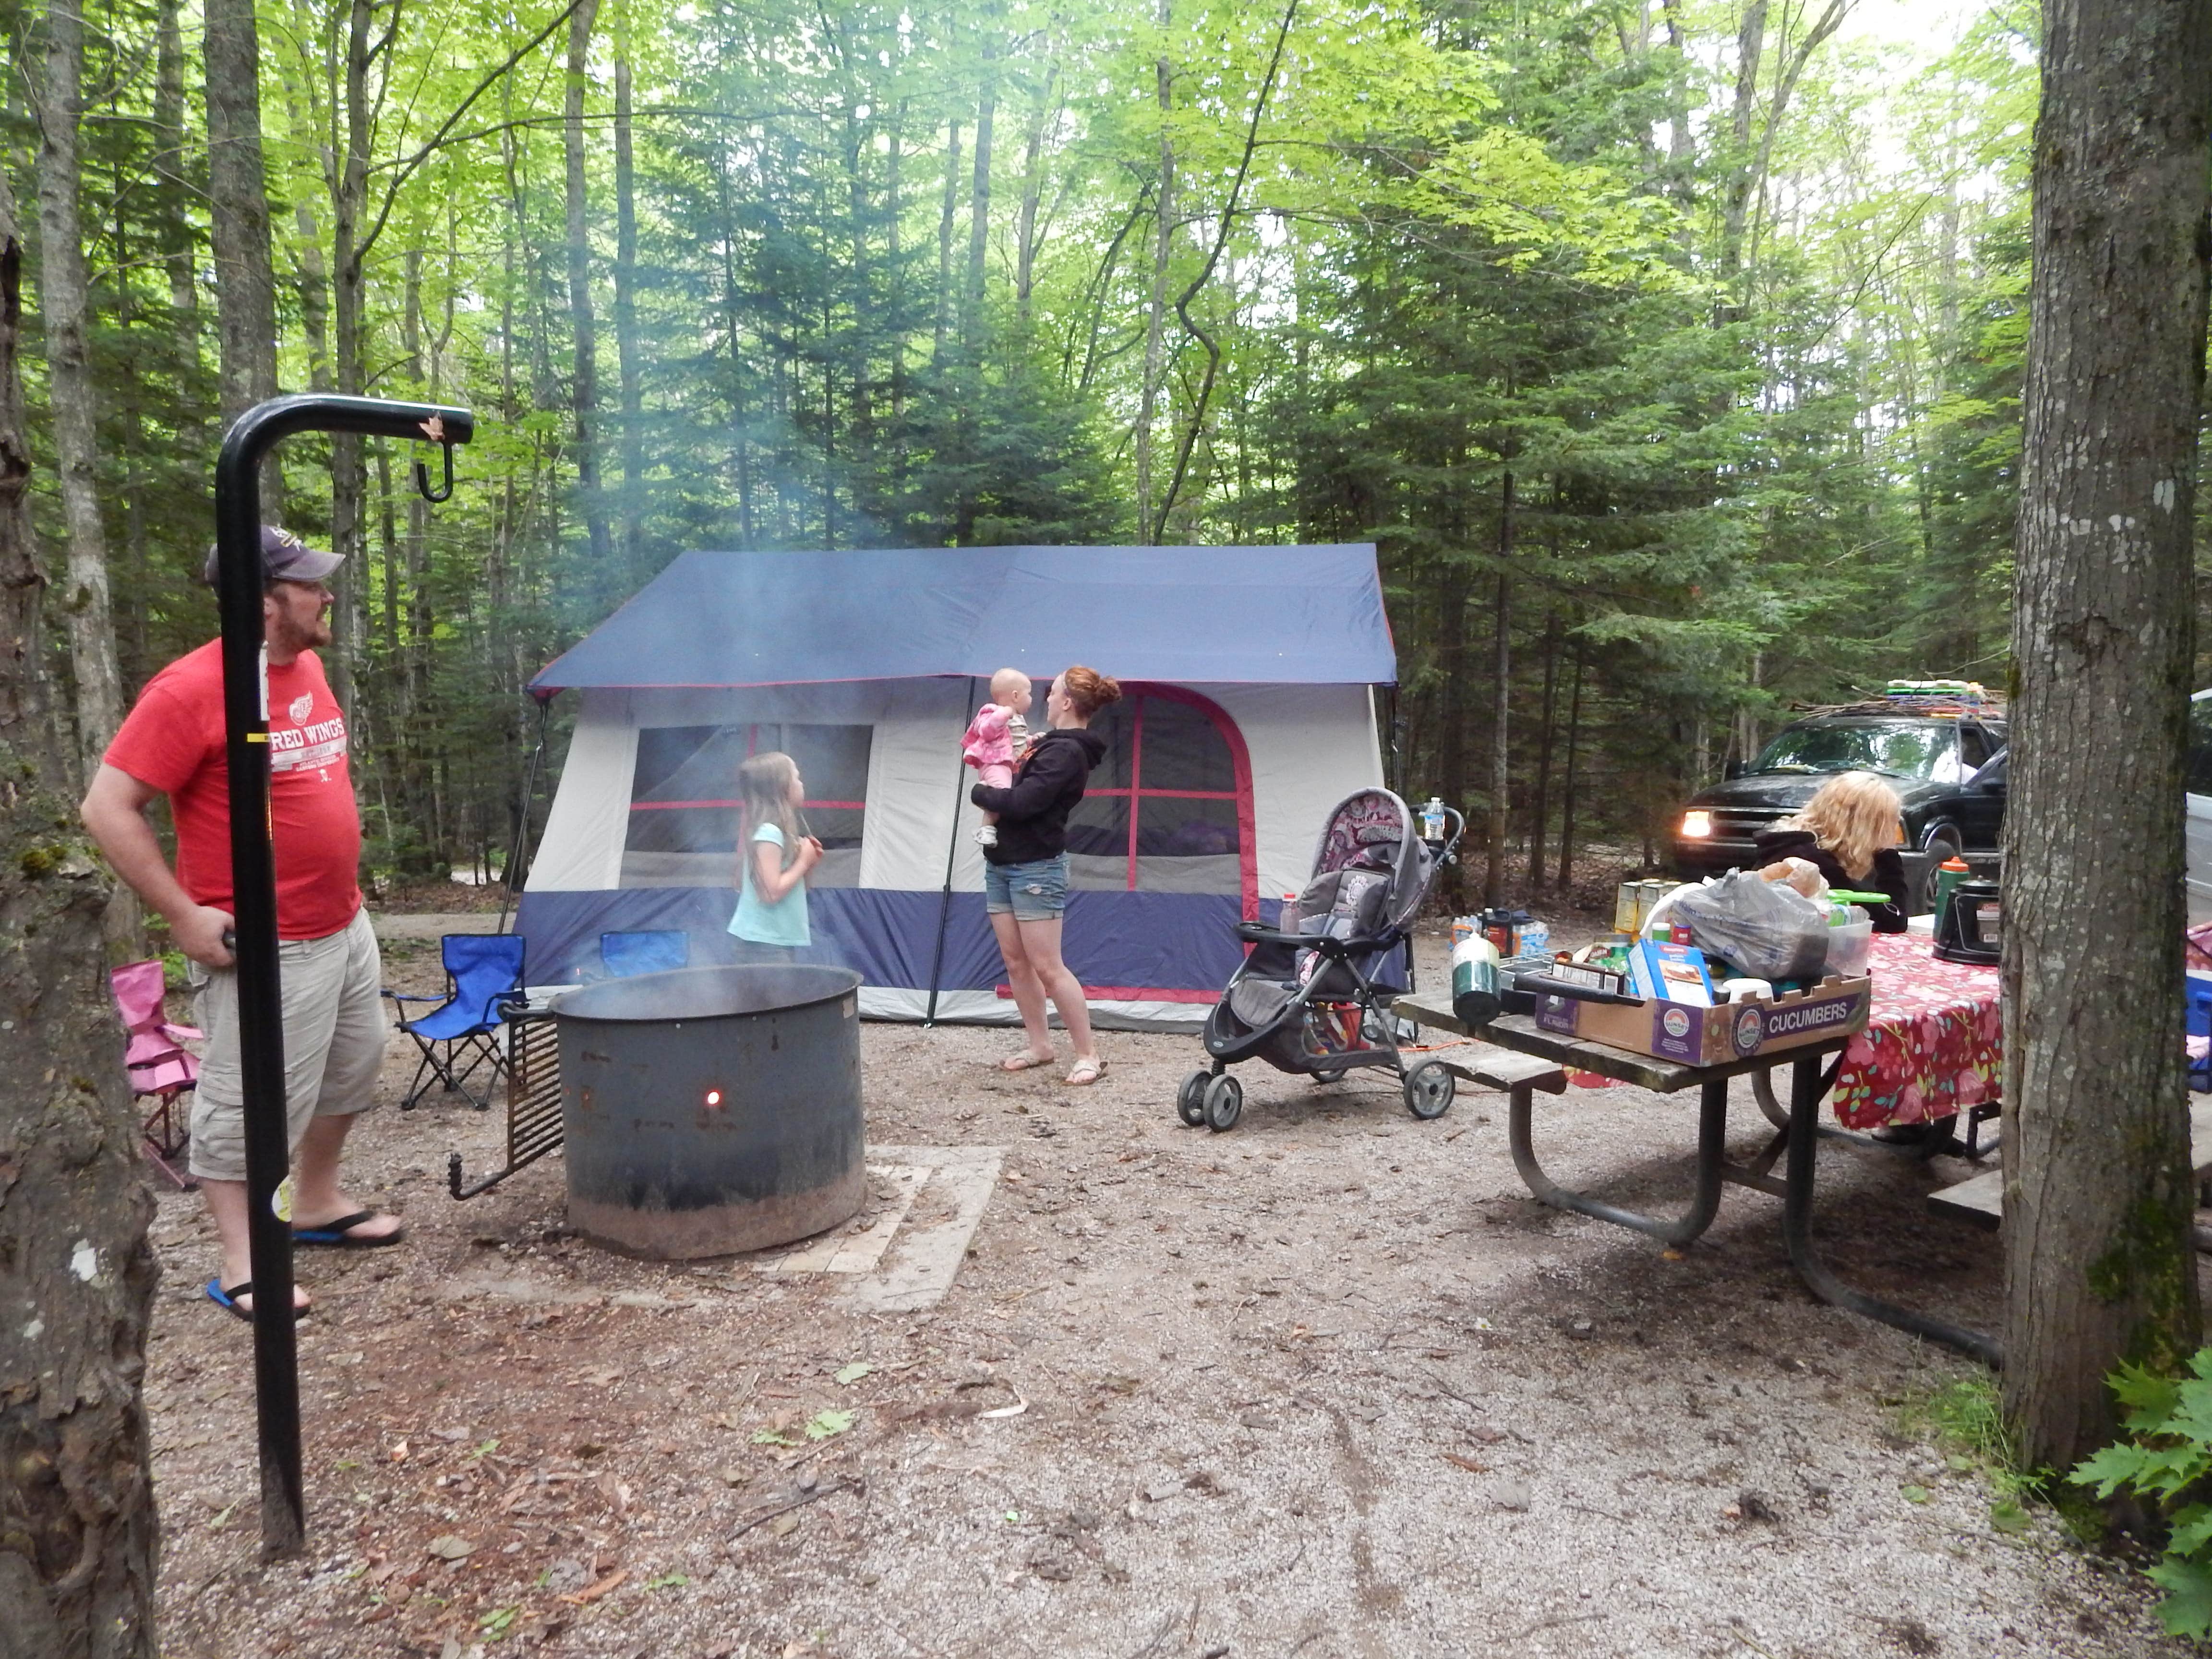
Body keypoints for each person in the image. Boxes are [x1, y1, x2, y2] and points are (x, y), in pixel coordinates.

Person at [80, 526, 402, 1323]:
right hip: (266, 941)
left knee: (354, 1067)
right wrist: (185, 915)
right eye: (308, 584)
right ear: (262, 602)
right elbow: (106, 807)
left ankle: (319, 1200)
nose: (326, 593)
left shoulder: (308, 667)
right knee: (248, 1099)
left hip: (343, 922)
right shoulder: (191, 689)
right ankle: (244, 1259)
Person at [971, 665, 1120, 1086]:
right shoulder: (1047, 744)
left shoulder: (1067, 753)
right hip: (1002, 862)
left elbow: (1025, 802)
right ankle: (1040, 1045)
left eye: (1052, 692)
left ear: (1068, 702)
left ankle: (1088, 1054)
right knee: (1016, 962)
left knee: (1048, 965)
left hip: (1037, 867)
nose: (1047, 698)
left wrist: (980, 793)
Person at [1753, 770, 1911, 933]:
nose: (1893, 832)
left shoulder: (1793, 844)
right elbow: (1892, 919)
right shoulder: (1814, 863)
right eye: (1889, 826)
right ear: (1866, 828)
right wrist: (1887, 855)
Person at [727, 750, 821, 963]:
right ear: (781, 788)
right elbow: (770, 894)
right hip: (762, 947)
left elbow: (797, 889)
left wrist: (809, 864)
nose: (802, 784)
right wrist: (803, 861)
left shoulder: (778, 833)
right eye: (797, 777)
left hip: (775, 943)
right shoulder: (770, 833)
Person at [962, 667, 1033, 848]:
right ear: (1016, 696)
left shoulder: (1017, 718)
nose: (1031, 699)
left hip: (1007, 766)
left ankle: (986, 791)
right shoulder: (992, 711)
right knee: (1001, 797)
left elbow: (1017, 743)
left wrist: (1032, 740)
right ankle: (986, 829)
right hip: (995, 764)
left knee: (1002, 793)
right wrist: (1002, 715)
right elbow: (986, 731)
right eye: (1029, 694)